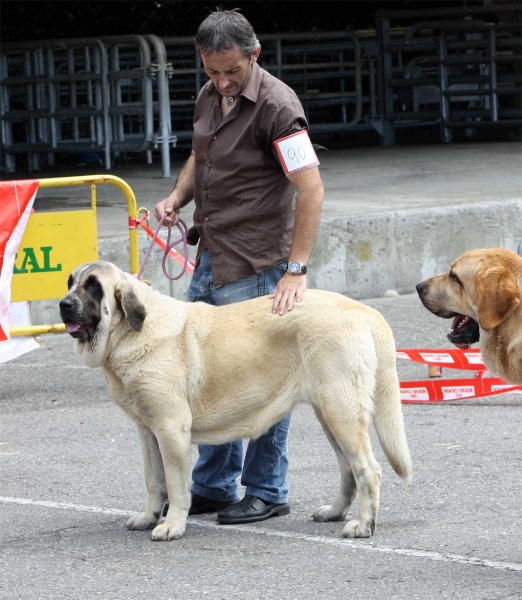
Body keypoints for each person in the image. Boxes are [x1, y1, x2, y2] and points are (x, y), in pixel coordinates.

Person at [154, 8, 324, 525]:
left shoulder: (277, 105)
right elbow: (200, 156)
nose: (223, 81)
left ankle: (268, 490)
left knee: (264, 379)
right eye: (212, 71)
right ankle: (212, 485)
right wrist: (177, 197)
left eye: (232, 71)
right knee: (207, 378)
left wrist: (296, 270)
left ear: (255, 54)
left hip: (257, 263)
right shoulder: (211, 96)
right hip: (211, 256)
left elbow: (310, 189)